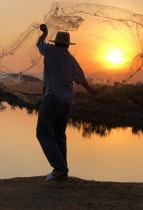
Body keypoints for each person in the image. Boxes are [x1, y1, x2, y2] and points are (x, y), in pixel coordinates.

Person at [36, 24, 98, 182]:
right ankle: (62, 169)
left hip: (51, 98)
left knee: (43, 132)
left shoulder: (49, 51)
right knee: (59, 134)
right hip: (66, 101)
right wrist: (91, 92)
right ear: (67, 45)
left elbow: (39, 44)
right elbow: (81, 78)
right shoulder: (71, 59)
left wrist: (44, 33)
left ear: (56, 43)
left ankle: (59, 168)